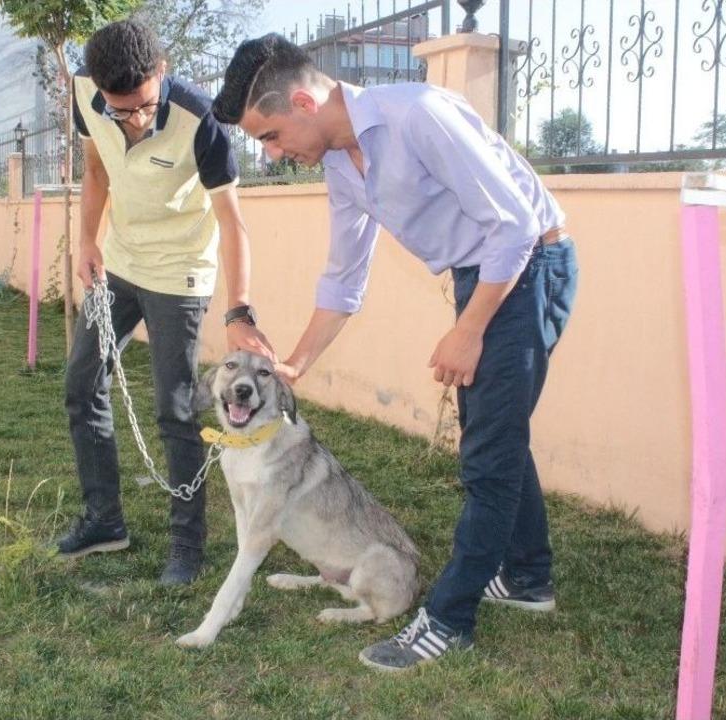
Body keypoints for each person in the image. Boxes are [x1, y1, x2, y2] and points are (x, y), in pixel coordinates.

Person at [212, 34, 578, 669]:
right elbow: (345, 278)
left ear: (302, 101)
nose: (273, 152)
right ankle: (527, 579)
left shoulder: (420, 115)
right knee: (496, 433)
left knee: (487, 453)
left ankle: (447, 619)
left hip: (529, 265)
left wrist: (469, 329)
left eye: (270, 135)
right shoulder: (338, 162)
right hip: (482, 271)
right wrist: (295, 363)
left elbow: (516, 225)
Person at [57, 20, 274, 586]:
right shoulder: (84, 91)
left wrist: (239, 309)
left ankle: (187, 546)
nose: (133, 119)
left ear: (161, 71)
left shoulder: (201, 120)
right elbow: (98, 170)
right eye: (119, 109)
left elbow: (233, 223)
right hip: (121, 264)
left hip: (180, 275)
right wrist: (87, 240)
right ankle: (105, 521)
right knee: (82, 384)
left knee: (175, 409)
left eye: (144, 106)